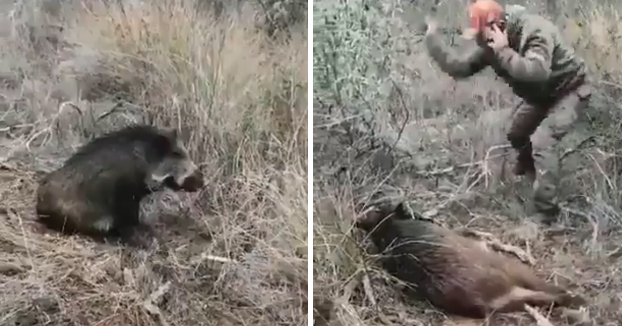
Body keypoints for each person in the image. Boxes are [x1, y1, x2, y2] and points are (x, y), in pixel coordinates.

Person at [424, 0, 592, 219]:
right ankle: (536, 178)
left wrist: (503, 50)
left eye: (481, 34)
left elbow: (536, 71)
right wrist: (432, 39)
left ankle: (546, 213)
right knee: (517, 133)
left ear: (497, 26)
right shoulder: (491, 44)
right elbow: (461, 68)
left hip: (571, 90)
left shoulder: (535, 30)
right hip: (542, 96)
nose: (478, 40)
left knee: (543, 140)